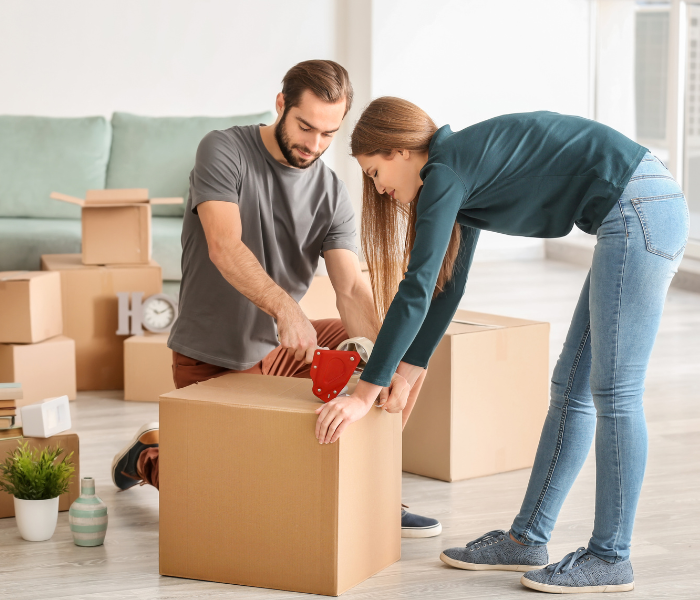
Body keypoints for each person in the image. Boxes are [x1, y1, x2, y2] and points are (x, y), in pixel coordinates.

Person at [315, 97, 688, 593]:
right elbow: (447, 288)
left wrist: (365, 390)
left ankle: (610, 556)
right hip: (634, 208)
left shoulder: (446, 170)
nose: (380, 190)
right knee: (569, 389)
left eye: (375, 171)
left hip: (640, 207)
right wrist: (407, 370)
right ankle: (527, 540)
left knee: (615, 392)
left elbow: (417, 286)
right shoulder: (458, 172)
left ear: (401, 151)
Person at [111, 62, 441, 538]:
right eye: (305, 126)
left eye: (329, 133)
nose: (314, 144)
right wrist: (286, 309)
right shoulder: (223, 150)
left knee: (399, 349)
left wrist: (382, 366)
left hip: (286, 351)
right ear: (281, 104)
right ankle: (148, 456)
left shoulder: (330, 192)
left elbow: (349, 288)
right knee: (238, 505)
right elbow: (224, 247)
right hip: (215, 358)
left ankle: (375, 488)